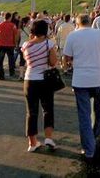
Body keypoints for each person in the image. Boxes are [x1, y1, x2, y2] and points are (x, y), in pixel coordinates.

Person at [63, 14, 100, 160]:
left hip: (81, 80)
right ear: (90, 22)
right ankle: (94, 135)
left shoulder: (72, 36)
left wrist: (72, 63)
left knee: (84, 114)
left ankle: (89, 148)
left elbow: (67, 57)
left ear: (77, 23)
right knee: (97, 109)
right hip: (98, 78)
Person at [21, 19, 58, 152]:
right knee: (47, 109)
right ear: (46, 30)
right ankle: (48, 138)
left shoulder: (26, 45)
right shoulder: (49, 43)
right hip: (45, 80)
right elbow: (53, 62)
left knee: (31, 112)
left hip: (29, 80)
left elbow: (28, 60)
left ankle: (32, 143)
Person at [0, 12, 19, 80]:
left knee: (0, 60)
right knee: (11, 59)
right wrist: (15, 43)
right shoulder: (13, 25)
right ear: (10, 17)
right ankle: (12, 73)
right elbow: (16, 35)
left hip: (1, 45)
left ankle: (1, 75)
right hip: (10, 45)